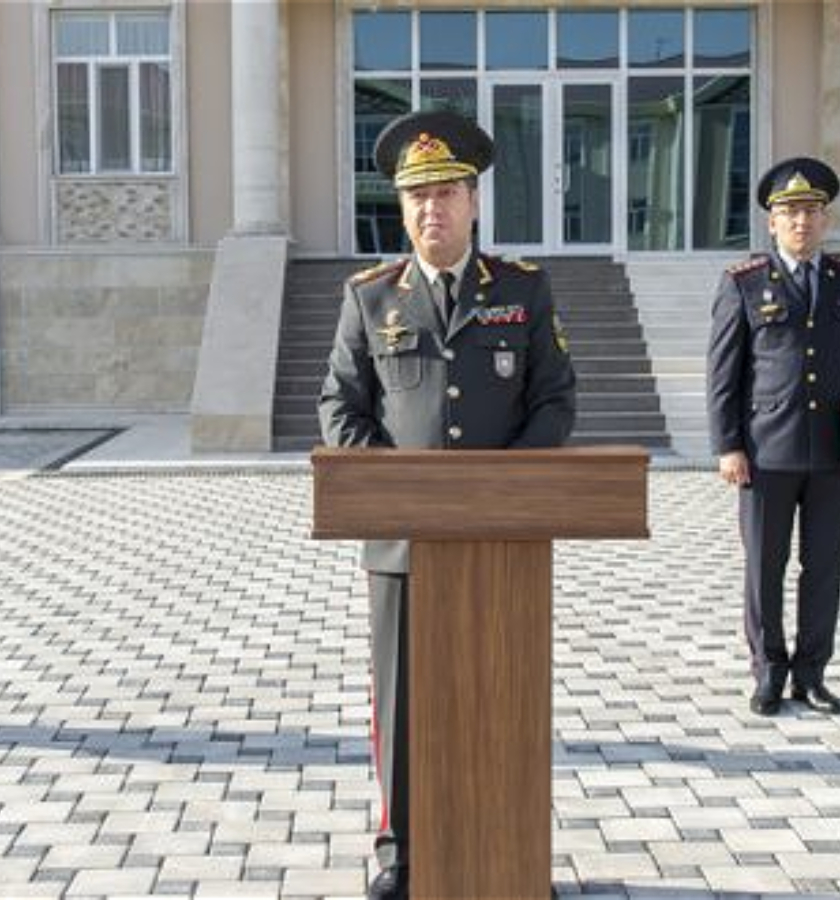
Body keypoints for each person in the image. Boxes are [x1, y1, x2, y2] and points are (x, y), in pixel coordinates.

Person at [318, 110, 577, 900]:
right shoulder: (371, 300)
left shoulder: (525, 290)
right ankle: (401, 852)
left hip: (502, 544)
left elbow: (554, 401)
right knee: (402, 706)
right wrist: (406, 492)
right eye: (416, 196)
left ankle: (501, 843)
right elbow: (340, 408)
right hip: (403, 546)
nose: (432, 208)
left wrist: (502, 496)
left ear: (473, 203)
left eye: (446, 193)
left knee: (500, 693)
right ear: (401, 209)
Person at [706, 156, 840, 717]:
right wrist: (728, 445)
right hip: (766, 451)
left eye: (811, 211)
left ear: (826, 219)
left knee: (825, 564)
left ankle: (811, 674)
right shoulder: (743, 283)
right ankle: (768, 671)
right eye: (789, 212)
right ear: (771, 222)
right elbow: (723, 373)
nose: (801, 222)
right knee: (765, 565)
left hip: (836, 450)